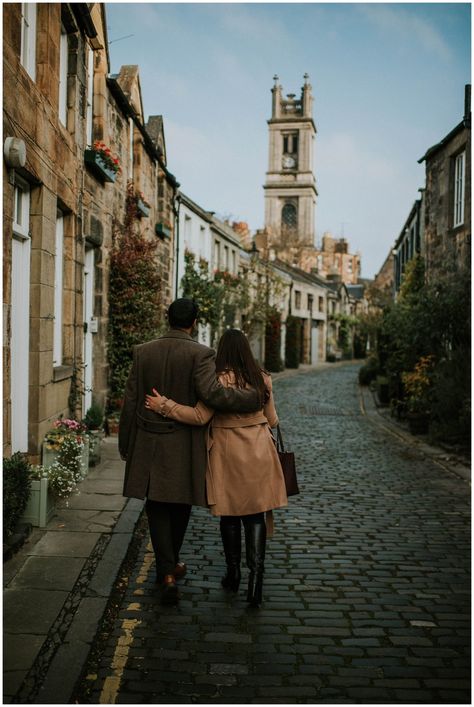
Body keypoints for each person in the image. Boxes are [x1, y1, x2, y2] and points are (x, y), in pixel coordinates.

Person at [119, 299, 261, 605]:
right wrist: (252, 398)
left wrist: (125, 444)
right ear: (194, 322)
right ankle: (169, 570)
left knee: (156, 506)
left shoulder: (143, 352)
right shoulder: (201, 353)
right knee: (179, 504)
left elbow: (131, 401)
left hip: (148, 440)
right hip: (183, 442)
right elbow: (213, 394)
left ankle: (168, 570)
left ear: (167, 318)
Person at [145, 328, 288, 608]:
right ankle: (255, 583)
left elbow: (199, 416)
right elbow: (272, 420)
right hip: (259, 452)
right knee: (256, 515)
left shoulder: (217, 380)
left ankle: (233, 574)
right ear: (247, 350)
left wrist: (165, 406)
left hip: (227, 453)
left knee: (231, 516)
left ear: (222, 351)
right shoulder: (263, 378)